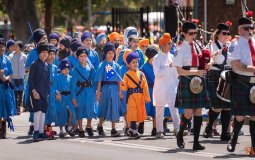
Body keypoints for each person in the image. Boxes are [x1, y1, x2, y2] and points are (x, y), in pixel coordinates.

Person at [173, 22, 212, 150]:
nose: (193, 35)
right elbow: (179, 71)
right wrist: (196, 72)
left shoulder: (198, 45)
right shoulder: (180, 49)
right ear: (184, 34)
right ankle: (180, 134)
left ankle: (196, 142)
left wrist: (209, 64)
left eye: (195, 33)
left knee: (199, 111)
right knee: (188, 112)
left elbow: (207, 58)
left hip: (198, 78)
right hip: (187, 79)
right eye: (191, 33)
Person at [227, 17, 255, 154]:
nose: (249, 30)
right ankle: (233, 141)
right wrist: (252, 69)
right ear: (239, 29)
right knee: (240, 116)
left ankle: (253, 148)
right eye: (246, 28)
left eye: (251, 28)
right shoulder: (235, 43)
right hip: (242, 82)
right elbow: (235, 64)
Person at [203, 22, 232, 141]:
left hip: (227, 75)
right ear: (218, 34)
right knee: (217, 105)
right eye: (224, 33)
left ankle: (225, 133)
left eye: (228, 33)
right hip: (214, 76)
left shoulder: (230, 46)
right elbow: (206, 62)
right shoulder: (211, 46)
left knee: (227, 105)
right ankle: (209, 127)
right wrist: (213, 58)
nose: (226, 36)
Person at [153, 33, 181, 138]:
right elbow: (157, 73)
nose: (171, 45)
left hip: (171, 86)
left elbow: (176, 73)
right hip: (161, 87)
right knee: (160, 108)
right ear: (163, 45)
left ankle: (178, 128)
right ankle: (159, 130)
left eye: (171, 43)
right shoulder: (156, 58)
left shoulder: (172, 56)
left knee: (174, 107)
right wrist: (167, 67)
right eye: (169, 43)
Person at [121, 51, 150, 139]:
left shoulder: (141, 74)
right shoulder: (126, 75)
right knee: (132, 112)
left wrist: (147, 97)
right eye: (133, 62)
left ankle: (131, 130)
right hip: (131, 97)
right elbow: (124, 88)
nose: (135, 64)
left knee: (138, 113)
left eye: (136, 62)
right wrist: (122, 84)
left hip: (140, 96)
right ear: (129, 64)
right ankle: (134, 130)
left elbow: (145, 86)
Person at [95, 42, 122, 137]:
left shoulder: (116, 66)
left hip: (114, 89)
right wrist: (98, 92)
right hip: (105, 88)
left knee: (114, 107)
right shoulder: (102, 65)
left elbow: (119, 80)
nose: (111, 55)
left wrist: (120, 91)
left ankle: (113, 129)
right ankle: (100, 125)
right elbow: (99, 80)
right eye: (109, 53)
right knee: (104, 107)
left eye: (112, 53)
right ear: (105, 54)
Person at [25, 28, 48, 136]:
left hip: (44, 87)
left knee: (42, 110)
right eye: (43, 38)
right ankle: (34, 127)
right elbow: (27, 68)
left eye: (46, 37)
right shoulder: (33, 53)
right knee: (35, 109)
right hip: (35, 85)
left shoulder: (47, 51)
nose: (45, 39)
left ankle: (42, 129)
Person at [71, 46, 97, 138]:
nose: (83, 58)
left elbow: (95, 80)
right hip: (80, 92)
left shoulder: (90, 68)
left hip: (89, 91)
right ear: (78, 58)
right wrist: (73, 97)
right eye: (81, 56)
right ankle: (81, 128)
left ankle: (89, 126)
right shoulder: (75, 69)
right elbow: (73, 85)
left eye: (85, 56)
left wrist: (95, 91)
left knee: (90, 108)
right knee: (80, 110)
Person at [28, 43, 50, 142]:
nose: (45, 54)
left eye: (46, 52)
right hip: (36, 92)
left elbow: (47, 80)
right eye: (43, 52)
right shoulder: (34, 64)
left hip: (45, 93)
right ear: (39, 53)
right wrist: (33, 91)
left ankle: (41, 131)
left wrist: (48, 92)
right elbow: (30, 79)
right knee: (37, 112)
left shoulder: (47, 64)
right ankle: (36, 131)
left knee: (43, 113)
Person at [54, 59, 76, 138]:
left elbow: (73, 89)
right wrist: (57, 93)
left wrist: (73, 99)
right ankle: (61, 130)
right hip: (61, 97)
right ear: (61, 69)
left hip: (69, 97)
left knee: (72, 113)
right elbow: (55, 87)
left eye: (68, 69)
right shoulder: (57, 77)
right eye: (64, 69)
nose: (66, 71)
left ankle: (69, 128)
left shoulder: (70, 78)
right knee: (61, 113)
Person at [0, 38, 16, 139]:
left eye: (2, 46)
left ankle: (4, 127)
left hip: (5, 87)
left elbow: (10, 73)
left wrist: (6, 77)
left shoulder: (7, 59)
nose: (1, 48)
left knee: (5, 107)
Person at [140, 46, 158, 136]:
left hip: (155, 90)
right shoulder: (143, 68)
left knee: (155, 110)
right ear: (151, 57)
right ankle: (141, 124)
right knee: (145, 108)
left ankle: (155, 128)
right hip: (147, 90)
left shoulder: (157, 66)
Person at [44, 44, 58, 139]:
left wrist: (57, 92)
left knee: (52, 109)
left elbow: (55, 82)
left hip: (52, 90)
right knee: (45, 110)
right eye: (50, 54)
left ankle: (48, 125)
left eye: (54, 54)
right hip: (44, 90)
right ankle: (45, 128)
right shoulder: (43, 65)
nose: (52, 56)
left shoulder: (55, 67)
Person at [9, 41, 27, 115]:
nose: (14, 47)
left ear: (20, 47)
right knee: (15, 93)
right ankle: (16, 107)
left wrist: (25, 72)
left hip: (22, 78)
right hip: (14, 78)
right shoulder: (10, 56)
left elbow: (27, 66)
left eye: (16, 46)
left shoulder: (24, 56)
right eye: (14, 46)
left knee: (21, 93)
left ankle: (19, 107)